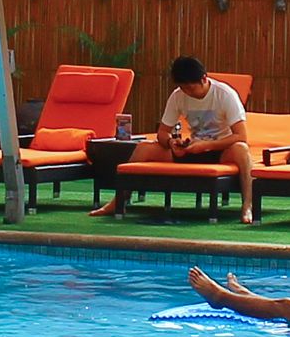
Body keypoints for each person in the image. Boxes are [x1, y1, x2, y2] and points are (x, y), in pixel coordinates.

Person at [96, 54, 258, 221]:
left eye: (191, 88)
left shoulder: (225, 95)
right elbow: (162, 132)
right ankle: (119, 200)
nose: (188, 93)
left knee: (242, 150)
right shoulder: (178, 96)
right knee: (144, 148)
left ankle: (247, 205)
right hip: (191, 149)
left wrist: (207, 145)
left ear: (204, 79)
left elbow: (241, 136)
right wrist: (171, 142)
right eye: (183, 88)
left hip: (221, 151)